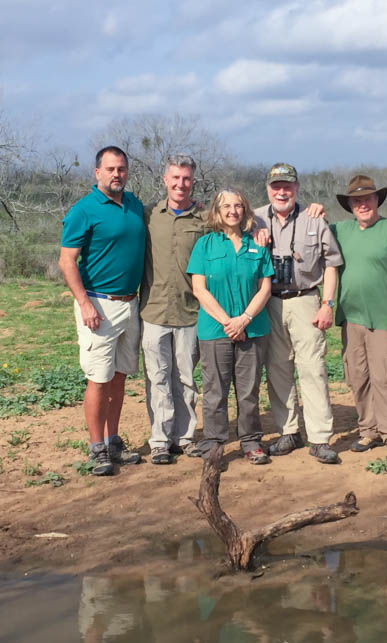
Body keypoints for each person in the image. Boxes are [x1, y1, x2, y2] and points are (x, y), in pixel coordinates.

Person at [58, 146, 144, 476]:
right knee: (98, 378)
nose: (116, 174)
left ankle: (112, 440)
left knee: (119, 376)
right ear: (97, 173)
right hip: (98, 304)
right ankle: (97, 448)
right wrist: (84, 303)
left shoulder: (134, 205)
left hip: (129, 302)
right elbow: (67, 261)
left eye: (121, 168)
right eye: (110, 169)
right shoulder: (84, 210)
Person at [253, 163, 343, 465]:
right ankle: (288, 431)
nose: (282, 191)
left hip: (306, 299)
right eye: (276, 186)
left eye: (288, 186)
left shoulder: (314, 219)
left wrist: (327, 304)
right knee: (277, 369)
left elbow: (331, 263)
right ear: (268, 188)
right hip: (268, 301)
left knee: (312, 368)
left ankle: (319, 437)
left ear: (297, 189)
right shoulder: (252, 218)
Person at [330, 175, 387, 464]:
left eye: (367, 198)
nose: (362, 204)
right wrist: (312, 210)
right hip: (351, 318)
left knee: (386, 378)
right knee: (358, 377)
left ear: (377, 200)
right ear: (349, 205)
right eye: (356, 200)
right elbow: (310, 236)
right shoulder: (339, 231)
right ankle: (368, 430)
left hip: (384, 318)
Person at [187, 189, 274, 464]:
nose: (233, 211)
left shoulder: (257, 245)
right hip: (215, 330)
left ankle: (250, 441)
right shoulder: (205, 245)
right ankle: (214, 444)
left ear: (246, 211)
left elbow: (265, 287)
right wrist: (228, 322)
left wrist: (244, 319)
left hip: (253, 327)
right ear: (217, 211)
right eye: (227, 206)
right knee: (215, 390)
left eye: (238, 206)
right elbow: (199, 289)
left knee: (248, 391)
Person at [139, 155, 207, 465]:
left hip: (189, 311)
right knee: (157, 377)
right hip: (153, 310)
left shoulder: (204, 220)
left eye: (187, 179)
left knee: (186, 378)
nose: (181, 184)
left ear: (193, 182)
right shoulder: (148, 215)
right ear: (165, 180)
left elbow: (241, 219)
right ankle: (160, 441)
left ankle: (185, 436)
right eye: (175, 178)